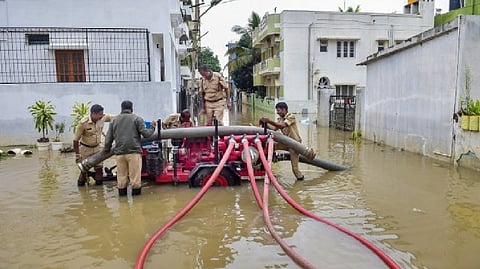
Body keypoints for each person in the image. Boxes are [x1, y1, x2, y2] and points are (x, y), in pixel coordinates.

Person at [104, 100, 156, 196]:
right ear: (132, 108)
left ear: (121, 109)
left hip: (119, 154)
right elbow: (146, 134)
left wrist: (106, 150)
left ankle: (123, 203)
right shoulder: (137, 119)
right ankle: (136, 206)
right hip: (133, 153)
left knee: (121, 180)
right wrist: (153, 127)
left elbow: (108, 139)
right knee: (135, 180)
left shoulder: (114, 120)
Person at [259, 102, 315, 181]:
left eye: (278, 110)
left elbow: (282, 126)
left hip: (294, 144)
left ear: (284, 109)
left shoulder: (291, 116)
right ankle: (268, 162)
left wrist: (269, 121)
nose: (277, 112)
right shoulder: (280, 119)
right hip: (285, 143)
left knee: (294, 169)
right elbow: (274, 129)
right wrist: (264, 123)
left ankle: (301, 181)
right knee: (270, 146)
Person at [73, 104, 114, 186]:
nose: (101, 116)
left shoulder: (103, 118)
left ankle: (100, 193)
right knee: (84, 171)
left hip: (97, 148)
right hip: (85, 149)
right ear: (93, 114)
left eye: (102, 114)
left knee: (99, 169)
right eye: (100, 114)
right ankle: (81, 189)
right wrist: (77, 155)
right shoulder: (83, 123)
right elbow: (75, 140)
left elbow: (115, 118)